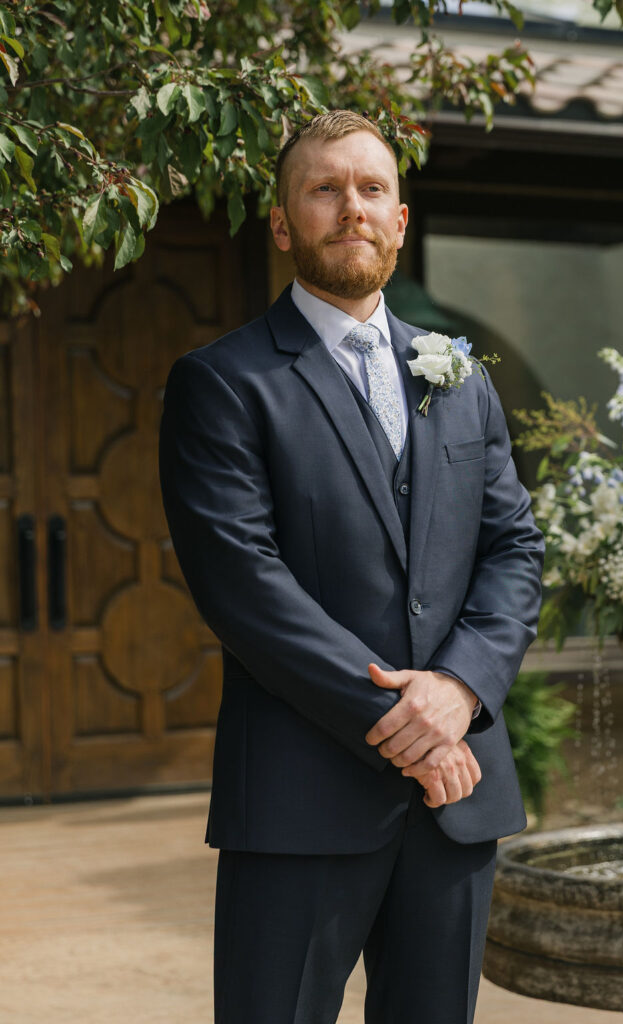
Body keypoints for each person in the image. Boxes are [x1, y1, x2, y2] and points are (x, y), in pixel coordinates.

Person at [158, 109, 544, 1024]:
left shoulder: (459, 375)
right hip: (300, 797)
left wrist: (457, 690)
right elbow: (242, 583)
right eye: (324, 190)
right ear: (285, 224)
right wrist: (406, 724)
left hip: (455, 801)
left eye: (371, 189)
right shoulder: (223, 382)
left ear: (400, 219)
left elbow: (513, 549)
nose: (351, 208)